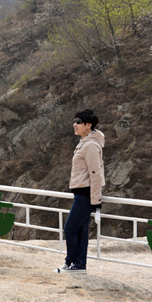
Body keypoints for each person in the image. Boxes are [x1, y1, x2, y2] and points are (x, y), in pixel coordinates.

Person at [54, 109, 105, 274]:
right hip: (82, 193)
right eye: (74, 121)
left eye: (78, 121)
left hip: (85, 195)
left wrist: (96, 201)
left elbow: (96, 174)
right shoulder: (85, 142)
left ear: (88, 125)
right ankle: (79, 265)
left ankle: (70, 263)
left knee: (70, 229)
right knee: (81, 231)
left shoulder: (90, 145)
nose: (74, 124)